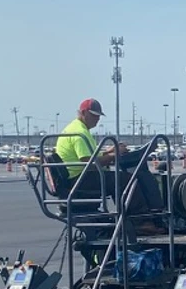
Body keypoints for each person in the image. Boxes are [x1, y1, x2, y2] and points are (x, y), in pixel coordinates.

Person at [55, 98, 165, 228]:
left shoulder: (76, 128)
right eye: (94, 116)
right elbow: (88, 162)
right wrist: (114, 156)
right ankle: (141, 222)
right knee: (125, 180)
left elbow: (92, 155)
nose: (97, 119)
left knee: (117, 178)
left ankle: (128, 218)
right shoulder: (80, 133)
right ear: (84, 113)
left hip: (77, 177)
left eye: (98, 116)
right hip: (80, 179)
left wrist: (110, 151)